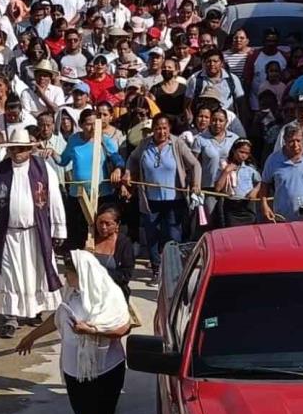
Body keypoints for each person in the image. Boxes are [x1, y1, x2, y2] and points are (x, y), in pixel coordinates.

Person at [16, 251, 131, 414]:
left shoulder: (109, 295)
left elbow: (123, 327)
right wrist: (32, 336)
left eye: (68, 274)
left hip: (103, 370)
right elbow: (58, 317)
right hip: (74, 369)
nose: (65, 278)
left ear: (82, 274)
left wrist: (92, 330)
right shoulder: (72, 294)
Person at [0, 126, 67, 339]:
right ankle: (11, 316)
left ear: (30, 149)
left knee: (36, 272)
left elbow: (55, 200)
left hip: (36, 232)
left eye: (21, 149)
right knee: (10, 275)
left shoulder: (44, 169)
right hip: (9, 233)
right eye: (13, 149)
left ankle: (34, 310)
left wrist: (58, 229)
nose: (17, 153)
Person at [128, 114, 202, 277]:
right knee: (152, 234)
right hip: (150, 200)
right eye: (157, 129)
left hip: (174, 200)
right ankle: (156, 268)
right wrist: (128, 172)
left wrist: (195, 183)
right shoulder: (145, 144)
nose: (161, 132)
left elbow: (195, 164)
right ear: (153, 130)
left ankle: (174, 268)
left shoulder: (177, 143)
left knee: (173, 235)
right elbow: (132, 159)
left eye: (164, 128)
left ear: (169, 129)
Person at [58, 109, 124, 252]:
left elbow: (117, 158)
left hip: (101, 193)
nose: (92, 127)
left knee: (101, 227)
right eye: (88, 124)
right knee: (78, 228)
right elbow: (62, 161)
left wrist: (118, 169)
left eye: (95, 123)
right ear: (81, 125)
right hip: (79, 194)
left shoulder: (104, 140)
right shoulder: (74, 140)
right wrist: (51, 153)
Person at [260, 125, 303, 223]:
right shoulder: (273, 159)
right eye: (291, 141)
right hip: (281, 218)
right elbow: (264, 183)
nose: (295, 145)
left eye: (298, 140)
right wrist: (264, 205)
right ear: (284, 140)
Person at [212, 138, 261, 226]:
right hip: (231, 206)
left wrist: (255, 191)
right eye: (241, 152)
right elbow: (218, 188)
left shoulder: (250, 168)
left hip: (247, 206)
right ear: (234, 150)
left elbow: (261, 182)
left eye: (246, 153)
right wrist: (226, 171)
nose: (243, 156)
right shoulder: (224, 166)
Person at [90, 204, 135, 293]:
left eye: (108, 224)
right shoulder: (89, 239)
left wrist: (100, 273)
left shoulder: (124, 244)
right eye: (100, 222)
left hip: (113, 293)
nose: (103, 227)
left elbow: (126, 274)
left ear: (117, 225)